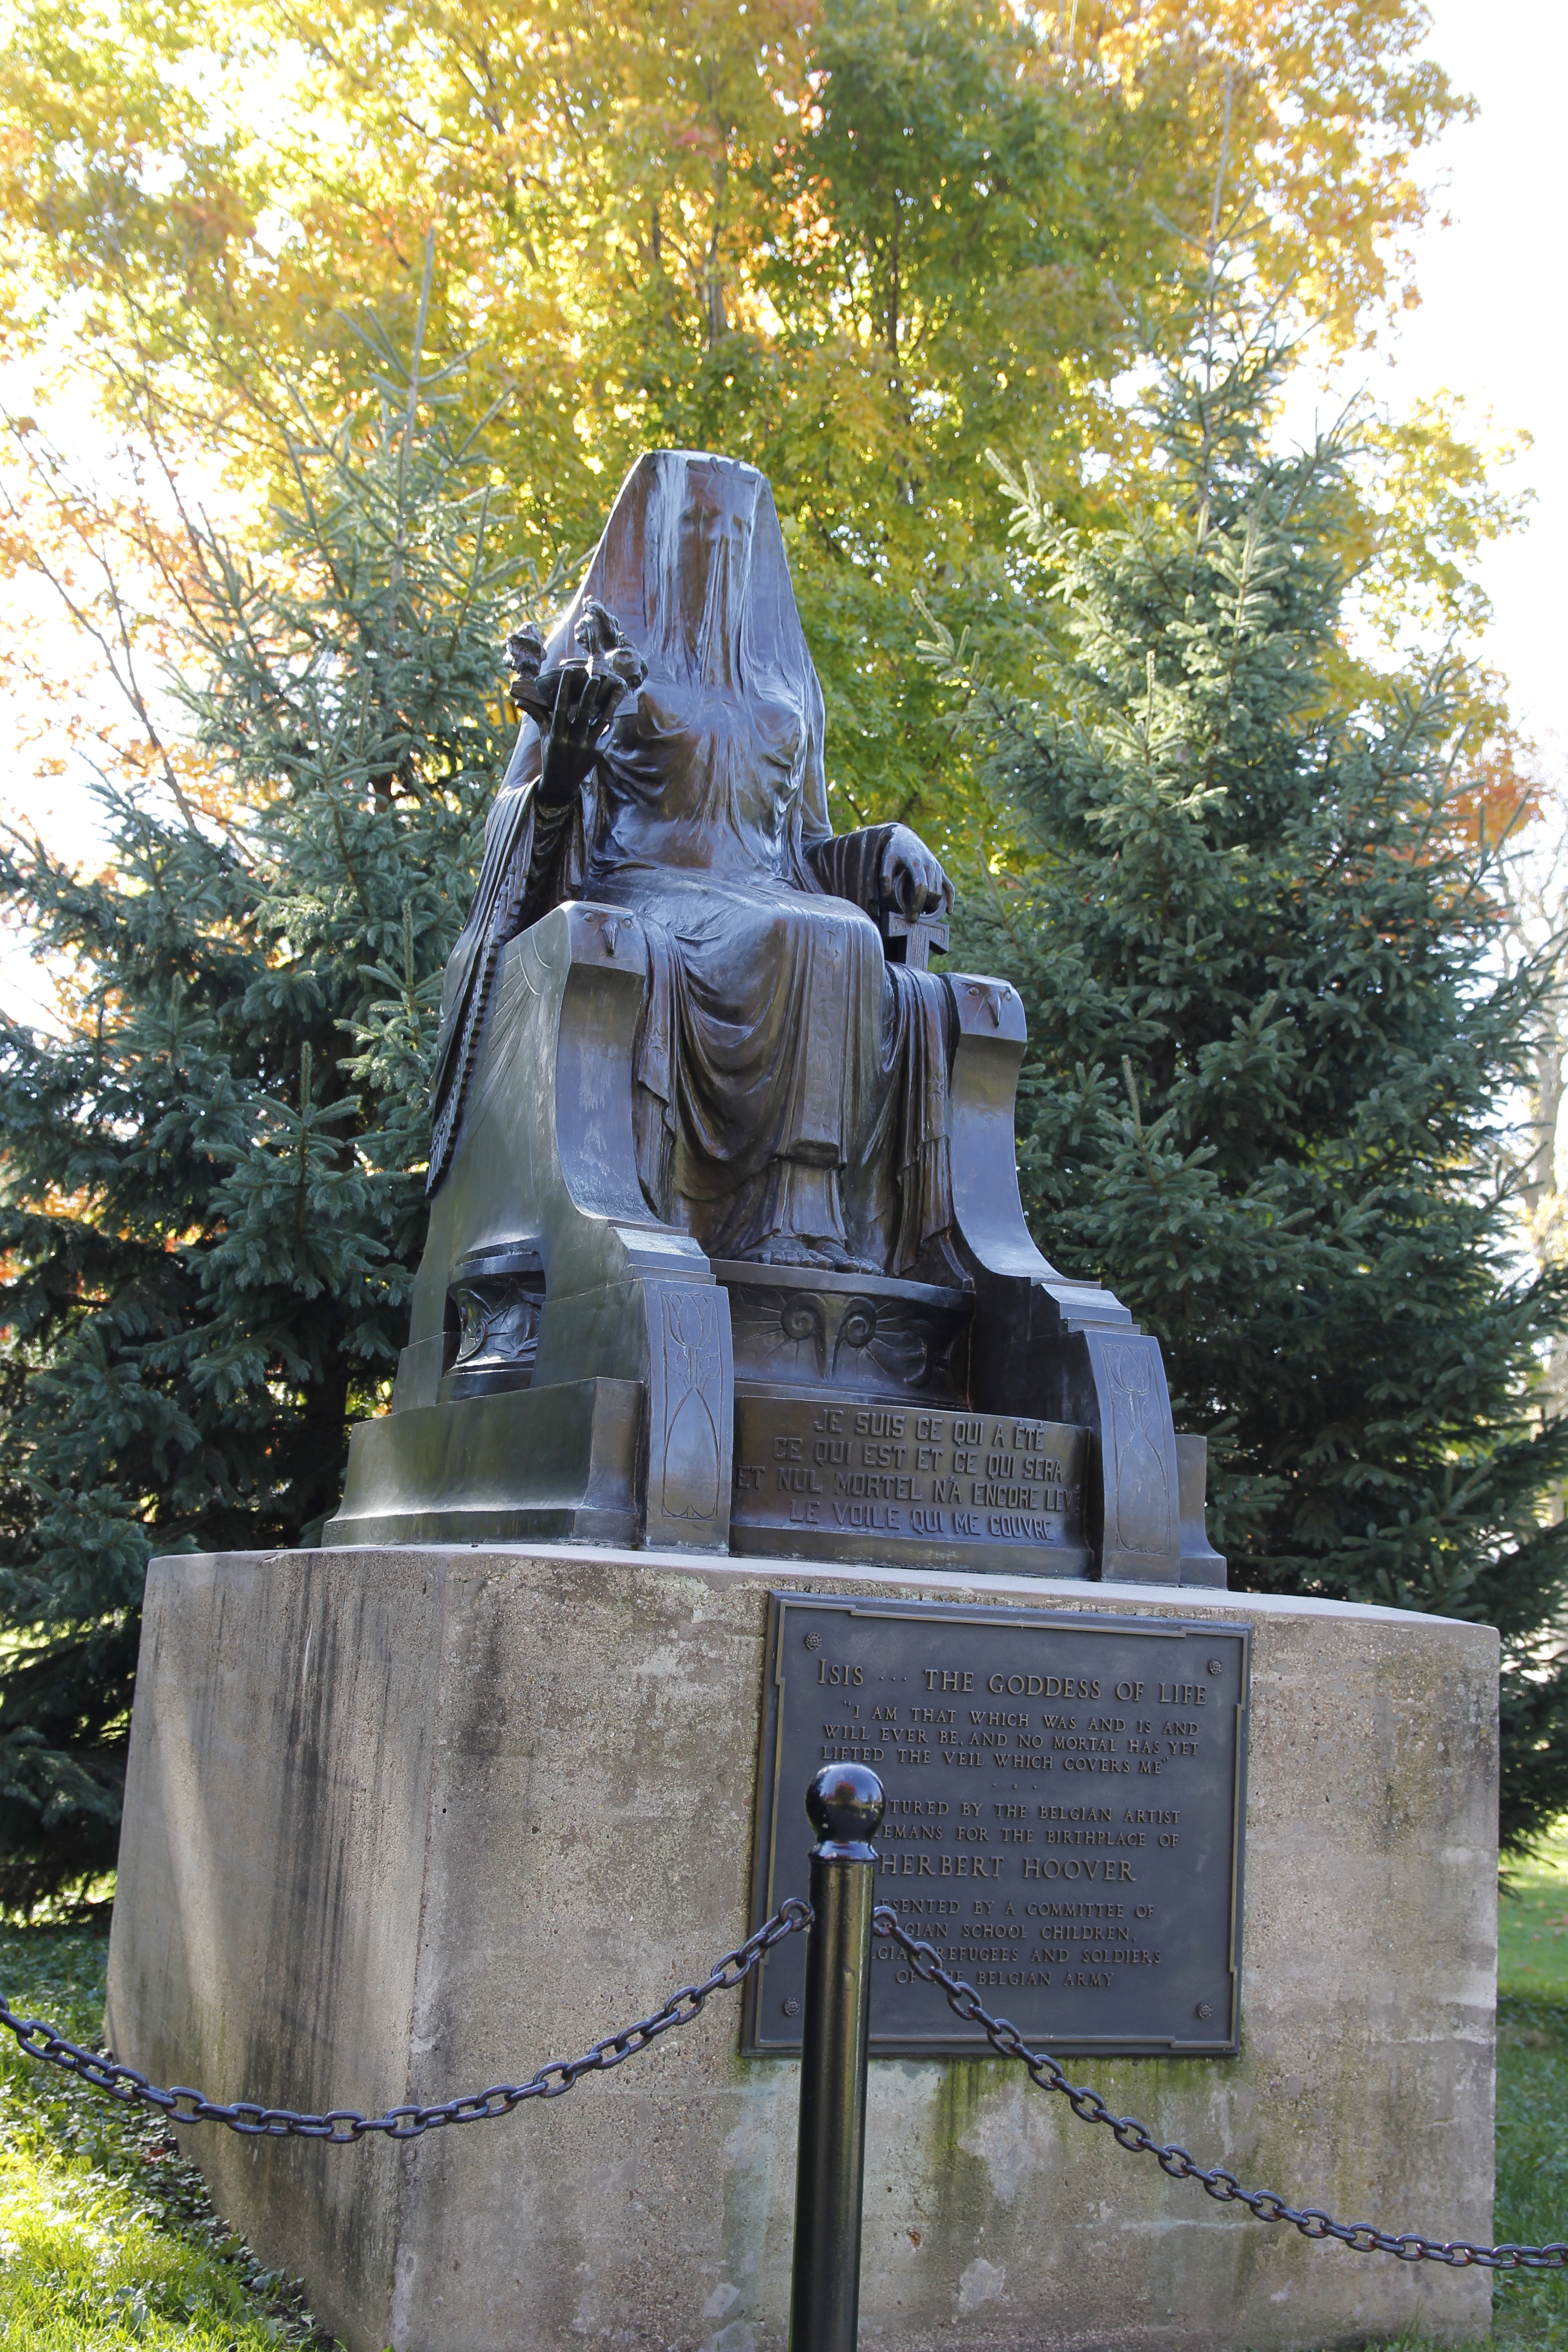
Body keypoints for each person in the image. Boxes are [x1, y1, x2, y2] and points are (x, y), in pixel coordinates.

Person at [428, 449, 960, 1281]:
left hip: (767, 891)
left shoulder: (784, 679)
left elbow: (809, 847)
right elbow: (517, 829)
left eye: (736, 529)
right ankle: (706, 1220)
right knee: (805, 931)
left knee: (837, 928)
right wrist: (562, 778)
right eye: (698, 522)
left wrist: (886, 842)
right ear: (659, 533)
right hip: (644, 888)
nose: (719, 544)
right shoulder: (601, 645)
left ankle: (805, 1218)